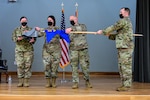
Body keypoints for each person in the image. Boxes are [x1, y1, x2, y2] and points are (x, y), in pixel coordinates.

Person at [97, 7, 134, 91]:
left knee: (126, 67)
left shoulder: (124, 21)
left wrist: (103, 31)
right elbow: (119, 36)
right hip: (122, 48)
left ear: (126, 13)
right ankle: (124, 84)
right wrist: (109, 35)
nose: (120, 13)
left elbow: (114, 27)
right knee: (121, 67)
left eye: (121, 12)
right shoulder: (125, 23)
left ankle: (127, 86)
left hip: (126, 48)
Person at [66, 15, 92, 89]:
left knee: (85, 66)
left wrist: (71, 29)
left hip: (82, 50)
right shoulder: (68, 29)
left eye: (72, 19)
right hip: (73, 50)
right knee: (74, 67)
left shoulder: (82, 26)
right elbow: (67, 38)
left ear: (76, 19)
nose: (70, 21)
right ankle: (75, 82)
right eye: (69, 19)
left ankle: (87, 81)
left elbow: (82, 29)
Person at [36, 15, 61, 88]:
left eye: (50, 20)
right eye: (48, 20)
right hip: (46, 51)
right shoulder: (45, 30)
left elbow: (53, 32)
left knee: (54, 67)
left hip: (56, 51)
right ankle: (48, 82)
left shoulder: (57, 29)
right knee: (46, 66)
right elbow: (38, 35)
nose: (49, 21)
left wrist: (40, 29)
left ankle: (53, 82)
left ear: (53, 21)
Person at [12, 16, 36, 87]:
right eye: (22, 21)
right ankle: (20, 81)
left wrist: (33, 40)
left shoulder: (31, 29)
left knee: (28, 66)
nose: (24, 22)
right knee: (19, 65)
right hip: (19, 51)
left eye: (25, 21)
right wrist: (18, 38)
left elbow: (34, 39)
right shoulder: (16, 30)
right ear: (20, 22)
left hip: (28, 50)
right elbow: (13, 38)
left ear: (27, 21)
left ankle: (26, 81)